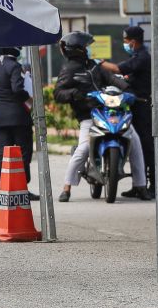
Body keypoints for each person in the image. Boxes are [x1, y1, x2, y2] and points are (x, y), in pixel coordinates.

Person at [53, 31, 149, 202]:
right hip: (88, 116)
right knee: (83, 149)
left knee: (134, 140)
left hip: (110, 112)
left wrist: (127, 90)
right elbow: (58, 93)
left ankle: (140, 185)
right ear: (78, 49)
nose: (88, 50)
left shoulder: (94, 66)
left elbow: (112, 79)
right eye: (86, 47)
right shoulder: (68, 70)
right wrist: (75, 93)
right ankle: (66, 187)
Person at [101, 25, 155, 199]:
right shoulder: (137, 56)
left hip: (142, 107)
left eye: (125, 41)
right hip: (133, 106)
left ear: (132, 42)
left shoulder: (142, 57)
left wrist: (99, 63)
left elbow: (117, 69)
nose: (124, 44)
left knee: (146, 146)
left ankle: (152, 185)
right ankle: (137, 185)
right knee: (133, 145)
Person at [0, 47, 38, 203]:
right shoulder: (15, 66)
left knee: (2, 154)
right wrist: (28, 96)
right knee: (23, 153)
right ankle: (22, 189)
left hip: (0, 117)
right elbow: (17, 90)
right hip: (18, 118)